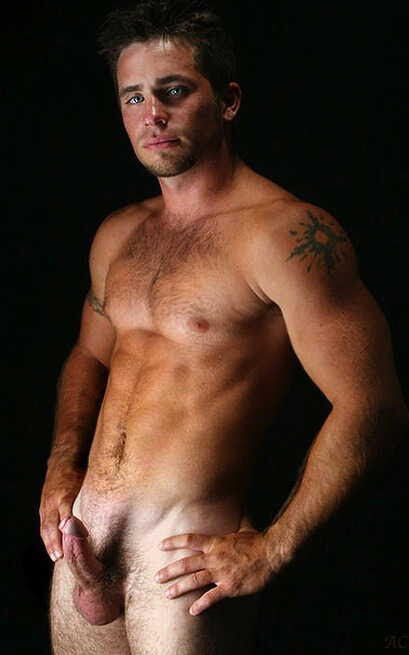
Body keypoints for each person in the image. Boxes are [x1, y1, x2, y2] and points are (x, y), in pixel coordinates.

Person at [39, 1, 409, 653]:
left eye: (174, 91)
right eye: (133, 97)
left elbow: (373, 406)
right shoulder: (119, 234)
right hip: (82, 541)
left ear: (228, 101)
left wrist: (272, 547)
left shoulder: (285, 235)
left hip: (182, 555)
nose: (151, 114)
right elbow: (88, 356)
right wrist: (60, 467)